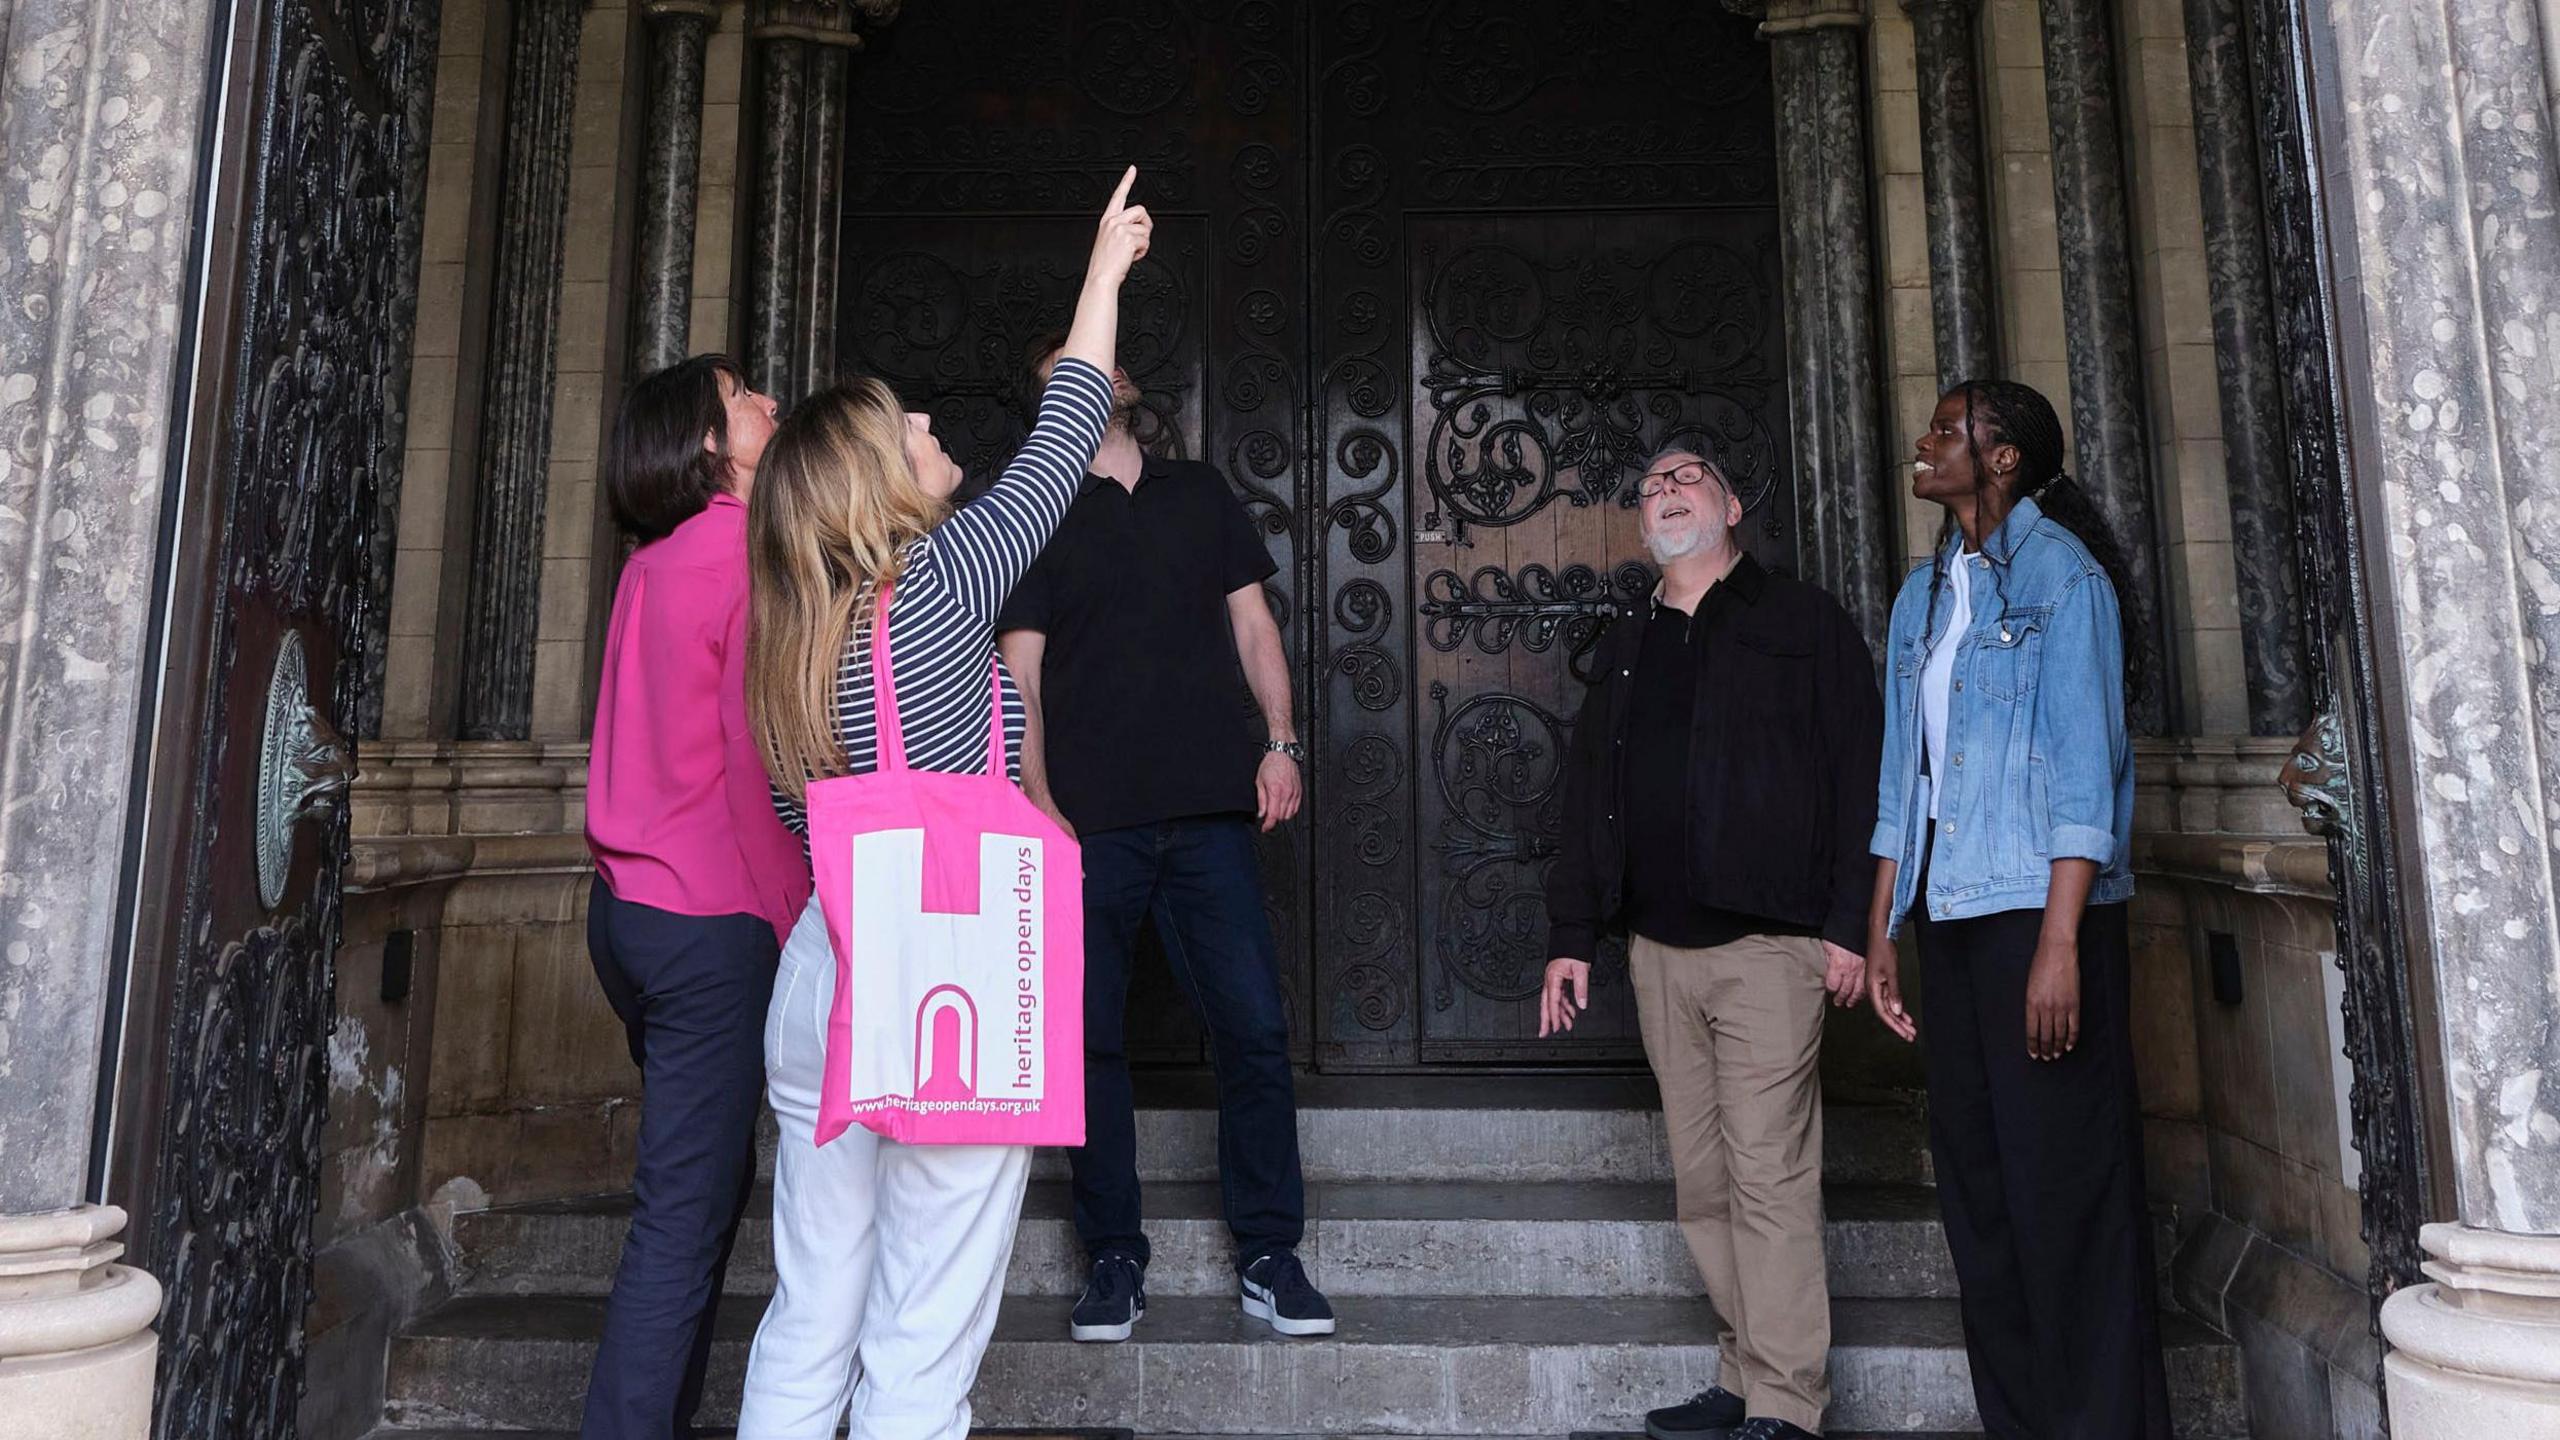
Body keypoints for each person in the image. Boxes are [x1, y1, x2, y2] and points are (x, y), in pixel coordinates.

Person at [732, 166, 1149, 1440]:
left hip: (825, 975)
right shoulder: (945, 584)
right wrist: (1102, 272)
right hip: (944, 978)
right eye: (901, 425)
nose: (925, 418)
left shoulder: (781, 644)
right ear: (877, 485)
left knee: (810, 1314)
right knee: (921, 1341)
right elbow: (1068, 428)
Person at [1539, 450, 1882, 1440]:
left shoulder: (1803, 623)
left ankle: (1786, 1402)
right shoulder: (1631, 638)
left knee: (1768, 1174)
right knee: (1703, 1180)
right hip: (1658, 951)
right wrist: (1573, 935)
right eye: (1652, 485)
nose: (1669, 490)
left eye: (1690, 476)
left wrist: (1849, 925)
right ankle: (1741, 1376)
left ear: (1733, 503)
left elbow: (1864, 772)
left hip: (1771, 945)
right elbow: (1590, 796)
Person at [995, 338, 1325, 1345]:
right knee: (1088, 1043)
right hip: (1088, 821)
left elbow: (1255, 628)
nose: (1095, 368)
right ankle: (1112, 1259)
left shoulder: (1197, 491)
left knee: (1255, 1032)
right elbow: (1021, 676)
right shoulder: (1032, 513)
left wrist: (1278, 742)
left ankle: (1271, 1252)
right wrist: (1037, 800)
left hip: (1211, 809)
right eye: (1063, 362)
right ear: (1044, 401)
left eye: (1102, 358)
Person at [1864, 381, 2172, 1439]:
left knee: (2065, 1195)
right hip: (1949, 921)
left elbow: (2087, 780)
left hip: (2045, 922)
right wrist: (1882, 926)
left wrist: (2057, 946)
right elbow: (1902, 780)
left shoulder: (2063, 581)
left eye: (1948, 432)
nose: (1926, 442)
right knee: (1982, 1195)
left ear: (2002, 461)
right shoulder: (1923, 594)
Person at [581, 355, 809, 1440]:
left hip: (625, 915)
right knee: (680, 1222)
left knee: (697, 1205)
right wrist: (802, 913)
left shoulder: (650, 564)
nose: (769, 401)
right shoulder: (744, 561)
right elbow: (751, 760)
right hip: (707, 923)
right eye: (743, 396)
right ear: (712, 444)